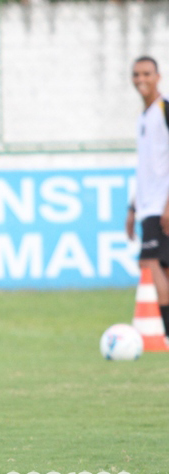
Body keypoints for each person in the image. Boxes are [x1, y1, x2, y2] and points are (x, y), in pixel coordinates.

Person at [126, 56, 169, 342]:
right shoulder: (145, 115)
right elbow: (148, 168)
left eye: (146, 74)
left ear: (158, 76)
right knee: (161, 267)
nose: (141, 79)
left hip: (160, 205)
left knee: (150, 262)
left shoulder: (165, 110)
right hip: (147, 205)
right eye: (136, 74)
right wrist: (132, 208)